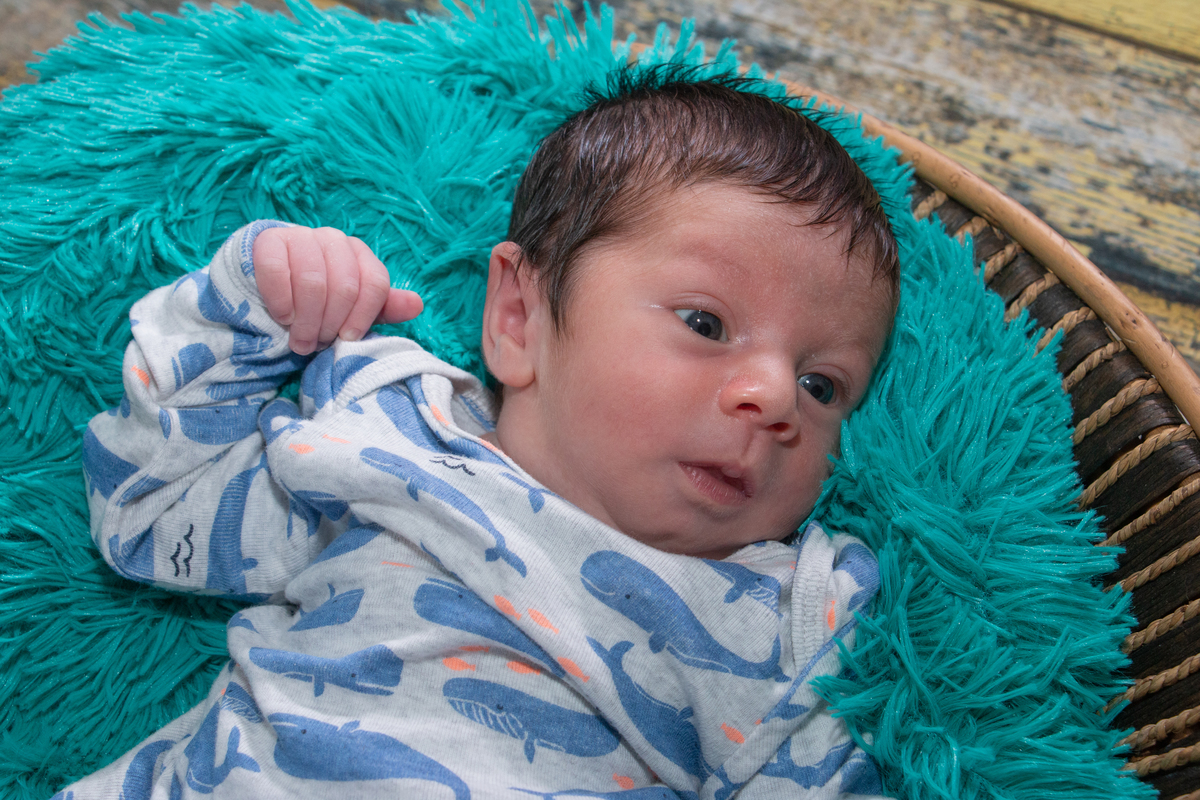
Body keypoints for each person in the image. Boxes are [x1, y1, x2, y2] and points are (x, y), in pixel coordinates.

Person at [61, 66, 898, 799]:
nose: (775, 396)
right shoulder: (392, 437)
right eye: (706, 324)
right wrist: (248, 313)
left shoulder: (786, 620)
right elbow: (149, 516)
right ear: (518, 317)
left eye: (823, 384)